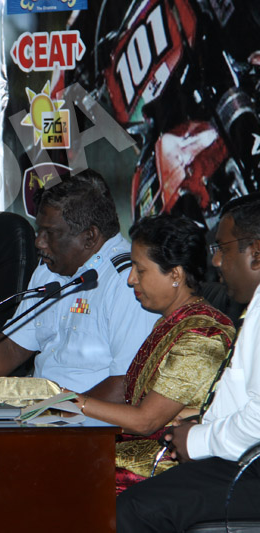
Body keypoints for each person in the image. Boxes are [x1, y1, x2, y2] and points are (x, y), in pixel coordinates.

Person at [117, 193, 260, 532]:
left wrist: (196, 440)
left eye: (222, 249)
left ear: (256, 254)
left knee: (134, 509)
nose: (216, 263)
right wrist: (198, 424)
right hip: (238, 454)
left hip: (250, 464)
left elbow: (256, 425)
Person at [68, 215, 234, 494]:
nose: (131, 280)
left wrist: (72, 401)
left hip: (157, 475)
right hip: (129, 459)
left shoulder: (202, 334)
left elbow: (146, 421)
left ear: (175, 275)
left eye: (140, 270)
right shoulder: (173, 322)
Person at [0, 170, 158, 397]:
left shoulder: (128, 281)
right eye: (38, 230)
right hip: (43, 413)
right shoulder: (48, 272)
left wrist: (61, 414)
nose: (38, 242)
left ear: (89, 237)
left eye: (49, 233)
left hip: (90, 422)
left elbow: (127, 383)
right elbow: (11, 348)